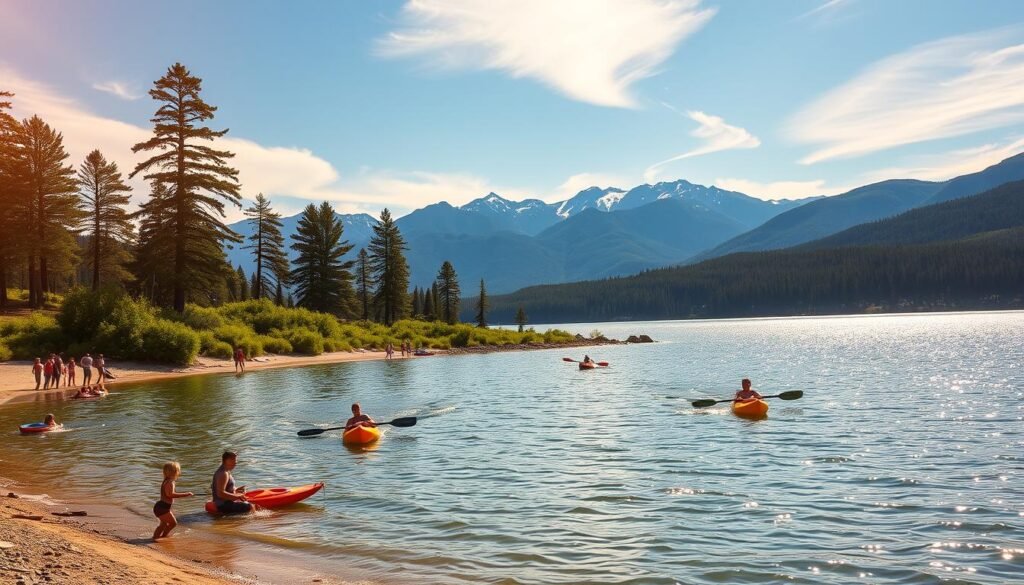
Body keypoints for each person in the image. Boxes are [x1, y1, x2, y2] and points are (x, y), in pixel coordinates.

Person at [152, 462, 193, 541]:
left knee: (163, 524)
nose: (179, 473)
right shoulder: (170, 482)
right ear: (175, 472)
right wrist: (186, 494)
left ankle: (156, 537)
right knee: (173, 523)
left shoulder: (166, 480)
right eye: (178, 471)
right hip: (162, 507)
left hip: (161, 507)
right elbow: (170, 494)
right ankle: (162, 536)